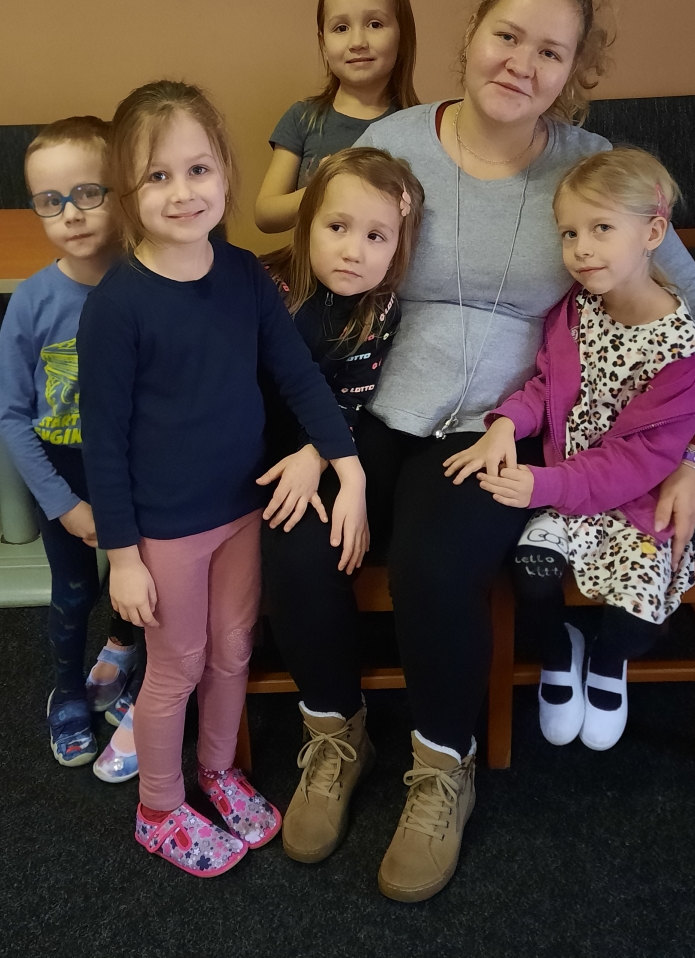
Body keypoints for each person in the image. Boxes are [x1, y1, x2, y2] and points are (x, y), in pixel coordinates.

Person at [264, 0, 695, 902]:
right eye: (507, 36)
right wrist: (311, 433)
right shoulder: (394, 140)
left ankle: (443, 766)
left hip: (501, 428)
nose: (521, 64)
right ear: (472, 32)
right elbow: (323, 267)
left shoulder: (594, 171)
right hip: (368, 404)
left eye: (550, 52)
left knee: (437, 567)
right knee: (296, 541)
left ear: (575, 72)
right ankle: (333, 736)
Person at [78, 81, 370, 878]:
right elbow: (103, 443)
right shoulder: (116, 307)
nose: (183, 192)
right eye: (158, 176)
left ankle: (217, 771)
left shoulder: (243, 274)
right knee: (177, 663)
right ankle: (159, 808)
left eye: (198, 169)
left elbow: (299, 377)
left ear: (225, 173)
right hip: (165, 528)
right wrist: (123, 557)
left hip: (244, 510)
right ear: (128, 192)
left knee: (234, 649)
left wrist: (348, 469)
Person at [444, 148, 695, 754]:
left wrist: (543, 486)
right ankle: (558, 650)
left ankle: (610, 662)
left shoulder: (681, 347)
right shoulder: (578, 306)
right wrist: (505, 425)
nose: (581, 249)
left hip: (637, 500)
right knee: (531, 569)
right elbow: (547, 384)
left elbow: (641, 458)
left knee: (640, 611)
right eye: (570, 233)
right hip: (568, 485)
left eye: (601, 229)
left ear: (652, 233)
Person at [253, 147, 425, 864]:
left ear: (399, 245)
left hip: (338, 443)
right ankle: (332, 726)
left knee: (305, 537)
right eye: (337, 228)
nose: (354, 251)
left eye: (376, 236)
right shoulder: (266, 284)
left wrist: (321, 458)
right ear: (307, 226)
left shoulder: (379, 308)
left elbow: (351, 398)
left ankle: (337, 732)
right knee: (277, 543)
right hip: (258, 445)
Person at [0, 116, 141, 782]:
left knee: (144, 585)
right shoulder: (31, 301)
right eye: (50, 201)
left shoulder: (145, 285)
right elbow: (11, 416)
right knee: (75, 591)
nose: (71, 214)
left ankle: (130, 656)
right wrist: (62, 504)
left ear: (120, 190)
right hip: (65, 472)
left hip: (138, 469)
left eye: (88, 192)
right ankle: (66, 690)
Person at [254, 0, 421, 233]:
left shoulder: (420, 127)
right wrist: (324, 189)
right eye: (341, 28)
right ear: (323, 43)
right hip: (309, 263)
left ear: (402, 36)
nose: (357, 42)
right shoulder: (303, 118)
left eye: (375, 24)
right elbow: (265, 215)